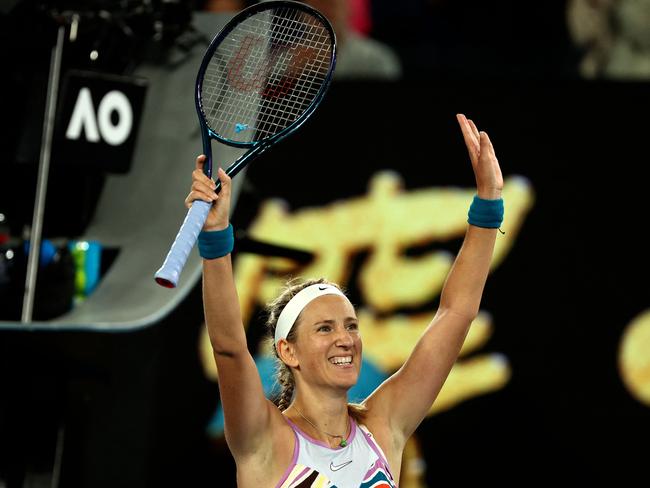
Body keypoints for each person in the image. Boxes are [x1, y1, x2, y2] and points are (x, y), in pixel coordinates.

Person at [186, 113, 503, 487]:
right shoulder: (265, 440)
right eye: (325, 327)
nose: (346, 338)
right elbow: (228, 348)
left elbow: (456, 313)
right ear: (288, 351)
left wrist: (488, 203)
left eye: (351, 325)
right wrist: (214, 239)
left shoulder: (384, 424)